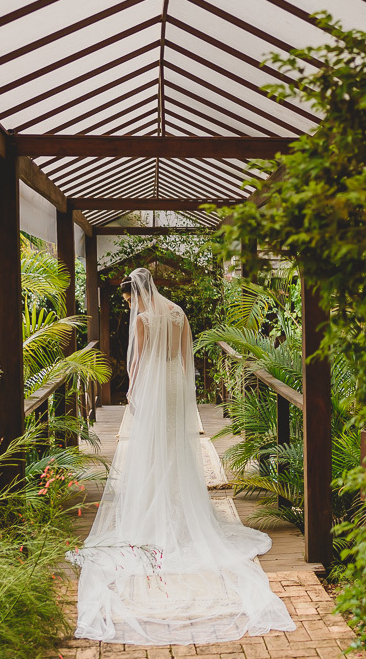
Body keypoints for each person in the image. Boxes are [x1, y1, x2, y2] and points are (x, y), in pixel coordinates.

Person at [68, 268, 295, 644]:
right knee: (174, 442)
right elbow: (184, 358)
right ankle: (180, 507)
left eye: (129, 299)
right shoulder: (178, 313)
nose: (131, 305)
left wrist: (134, 392)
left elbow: (139, 362)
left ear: (137, 294)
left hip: (154, 383)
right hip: (175, 383)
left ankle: (156, 508)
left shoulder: (143, 320)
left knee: (153, 446)